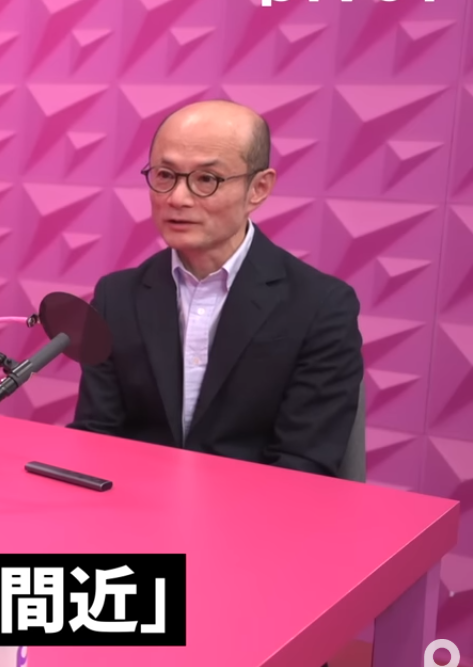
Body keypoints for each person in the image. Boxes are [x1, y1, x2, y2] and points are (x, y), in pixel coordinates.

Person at [68, 99, 363, 477]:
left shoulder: (321, 306)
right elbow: (97, 438)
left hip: (255, 507)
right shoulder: (116, 297)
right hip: (132, 503)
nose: (177, 198)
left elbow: (303, 464)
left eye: (207, 179)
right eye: (165, 175)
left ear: (258, 188)